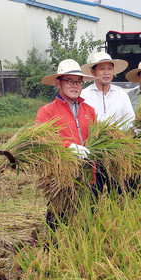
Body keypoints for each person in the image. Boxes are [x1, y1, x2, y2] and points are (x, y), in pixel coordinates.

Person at [35, 59, 97, 230]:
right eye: (70, 81)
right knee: (57, 228)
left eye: (78, 82)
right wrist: (67, 147)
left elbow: (96, 137)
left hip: (87, 178)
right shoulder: (47, 111)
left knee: (86, 227)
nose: (75, 85)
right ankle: (52, 255)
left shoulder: (89, 111)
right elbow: (40, 141)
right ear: (58, 83)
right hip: (61, 180)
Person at [80, 51, 134, 128]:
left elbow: (130, 121)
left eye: (109, 69)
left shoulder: (121, 95)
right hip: (94, 139)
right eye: (102, 69)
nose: (106, 73)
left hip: (119, 138)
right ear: (93, 72)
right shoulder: (84, 96)